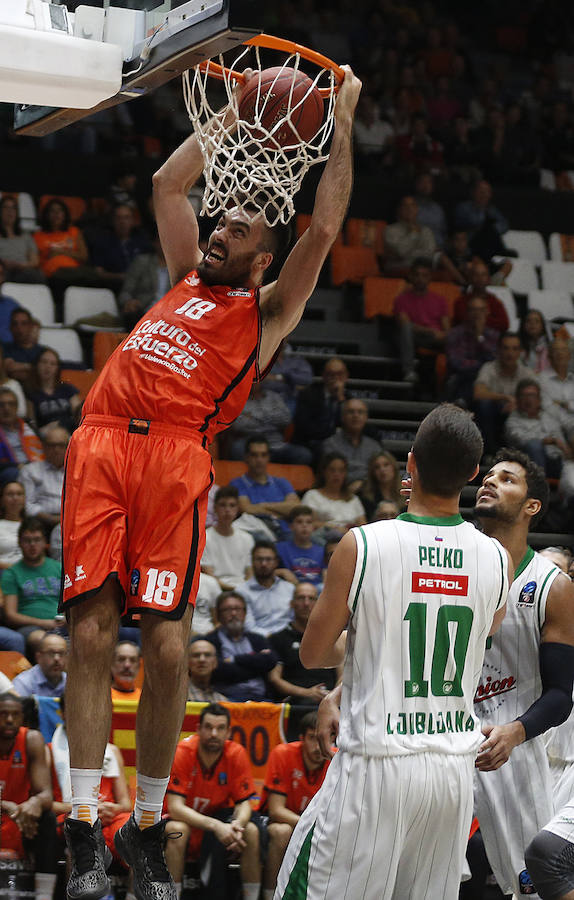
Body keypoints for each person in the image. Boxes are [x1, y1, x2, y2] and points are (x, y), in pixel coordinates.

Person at [59, 63, 361, 900]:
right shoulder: (186, 270)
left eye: (237, 229)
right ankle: (85, 824)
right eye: (220, 220)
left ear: (266, 257)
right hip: (102, 443)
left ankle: (148, 827)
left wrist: (342, 119)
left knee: (163, 644)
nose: (222, 228)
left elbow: (328, 225)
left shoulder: (265, 312)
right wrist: (232, 112)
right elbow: (167, 181)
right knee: (89, 636)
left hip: (176, 456)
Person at [274, 403, 510, 900]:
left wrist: (359, 651)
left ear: (410, 463)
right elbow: (470, 642)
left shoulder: (362, 544)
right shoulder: (496, 556)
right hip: (449, 773)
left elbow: (313, 654)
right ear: (472, 474)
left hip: (376, 764)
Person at [472, 448, 574, 898]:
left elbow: (559, 694)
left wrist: (515, 732)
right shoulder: (454, 565)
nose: (490, 482)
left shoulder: (550, 585)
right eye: (487, 476)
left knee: (531, 883)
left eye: (507, 479)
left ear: (532, 506)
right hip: (443, 735)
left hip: (511, 742)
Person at [165, 703, 261, 900]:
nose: (214, 733)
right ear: (198, 729)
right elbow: (175, 808)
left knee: (250, 831)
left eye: (220, 728)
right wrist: (216, 826)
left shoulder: (236, 753)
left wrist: (237, 826)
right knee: (178, 830)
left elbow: (244, 803)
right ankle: (172, 896)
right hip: (187, 822)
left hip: (217, 823)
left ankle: (254, 897)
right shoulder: (182, 752)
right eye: (208, 727)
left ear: (228, 732)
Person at [48, 694, 132, 871]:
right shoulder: (49, 751)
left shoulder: (112, 751)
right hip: (71, 816)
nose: (85, 716)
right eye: (77, 711)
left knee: (136, 836)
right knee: (81, 829)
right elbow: (46, 805)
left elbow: (125, 803)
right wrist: (86, 808)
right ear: (63, 714)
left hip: (108, 817)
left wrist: (111, 809)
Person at [260, 712, 332, 899]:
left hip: (319, 825)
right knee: (281, 831)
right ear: (301, 739)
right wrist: (309, 826)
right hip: (284, 821)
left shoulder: (337, 760)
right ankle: (270, 895)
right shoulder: (283, 753)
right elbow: (276, 810)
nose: (318, 747)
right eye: (312, 739)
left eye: (323, 739)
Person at [0, 692, 58, 900]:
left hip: (20, 820)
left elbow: (46, 795)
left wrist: (32, 803)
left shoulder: (31, 739)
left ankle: (44, 894)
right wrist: (8, 806)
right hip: (9, 812)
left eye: (14, 715)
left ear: (22, 717)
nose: (9, 720)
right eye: (3, 714)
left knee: (48, 818)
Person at [268, 582, 338, 705]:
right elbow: (274, 678)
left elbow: (343, 673)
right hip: (296, 701)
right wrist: (306, 693)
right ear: (292, 604)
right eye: (301, 598)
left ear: (318, 604)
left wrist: (333, 697)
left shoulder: (332, 636)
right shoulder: (277, 639)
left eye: (311, 599)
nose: (306, 604)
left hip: (330, 698)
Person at [505, 378, 574, 499]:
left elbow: (569, 425)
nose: (528, 399)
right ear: (517, 399)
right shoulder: (513, 421)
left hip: (561, 461)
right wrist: (550, 440)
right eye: (524, 395)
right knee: (534, 445)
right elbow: (520, 439)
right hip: (532, 465)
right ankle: (539, 490)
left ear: (539, 399)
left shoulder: (549, 415)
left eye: (532, 395)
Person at [2, 517, 61, 656]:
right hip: (31, 628)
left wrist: (66, 619)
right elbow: (10, 615)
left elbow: (71, 603)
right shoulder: (12, 573)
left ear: (45, 542)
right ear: (20, 543)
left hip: (62, 624)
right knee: (43, 640)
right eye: (27, 540)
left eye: (37, 539)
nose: (32, 545)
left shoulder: (59, 568)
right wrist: (44, 623)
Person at [206, 591, 278, 701]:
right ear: (218, 615)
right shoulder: (210, 641)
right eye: (227, 610)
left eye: (237, 609)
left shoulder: (257, 639)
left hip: (262, 699)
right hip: (227, 700)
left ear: (244, 613)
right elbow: (220, 671)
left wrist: (234, 660)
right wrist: (257, 665)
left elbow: (271, 661)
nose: (233, 614)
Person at [473, 331, 533, 456]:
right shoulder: (489, 368)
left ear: (520, 352)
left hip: (518, 416)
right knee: (484, 405)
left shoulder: (526, 373)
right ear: (499, 350)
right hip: (493, 417)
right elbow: (478, 393)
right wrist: (505, 398)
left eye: (514, 349)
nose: (510, 353)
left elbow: (536, 399)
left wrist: (517, 404)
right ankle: (489, 452)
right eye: (506, 348)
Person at [393, 256, 451, 383]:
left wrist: (444, 335)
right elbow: (405, 323)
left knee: (456, 335)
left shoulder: (440, 300)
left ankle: (453, 374)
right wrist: (430, 331)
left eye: (425, 275)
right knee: (406, 329)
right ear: (411, 277)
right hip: (416, 337)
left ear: (430, 277)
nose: (420, 279)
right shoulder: (401, 300)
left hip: (436, 338)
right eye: (417, 275)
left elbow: (446, 327)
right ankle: (409, 371)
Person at [230, 436, 299, 539]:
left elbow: (296, 508)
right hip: (257, 533)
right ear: (246, 457)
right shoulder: (237, 484)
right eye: (254, 455)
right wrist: (282, 511)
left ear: (268, 457)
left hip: (287, 533)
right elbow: (246, 509)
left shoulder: (282, 483)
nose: (259, 460)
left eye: (263, 455)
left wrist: (262, 506)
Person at [228, 381, 312, 465]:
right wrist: (271, 416)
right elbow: (238, 425)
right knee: (237, 449)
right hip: (250, 441)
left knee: (304, 455)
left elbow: (286, 419)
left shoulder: (274, 397)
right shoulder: (238, 399)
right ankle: (247, 478)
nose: (253, 383)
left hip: (275, 443)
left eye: (255, 381)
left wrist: (253, 416)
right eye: (249, 380)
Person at [446, 294, 498, 405]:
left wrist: (479, 337)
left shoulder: (493, 335)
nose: (477, 314)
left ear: (487, 312)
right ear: (467, 312)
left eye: (481, 310)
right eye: (473, 310)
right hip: (463, 378)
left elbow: (494, 360)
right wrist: (481, 365)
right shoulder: (455, 334)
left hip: (489, 379)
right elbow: (457, 363)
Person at [321, 398, 381, 491]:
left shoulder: (374, 446)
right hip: (340, 491)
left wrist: (363, 483)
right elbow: (331, 474)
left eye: (360, 412)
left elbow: (379, 474)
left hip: (370, 492)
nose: (355, 415)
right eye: (351, 412)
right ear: (342, 417)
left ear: (366, 417)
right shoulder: (330, 444)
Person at [236, 542, 296, 636]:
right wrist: (273, 638)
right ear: (252, 562)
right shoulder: (241, 591)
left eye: (268, 559)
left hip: (290, 638)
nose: (263, 564)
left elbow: (295, 620)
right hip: (260, 640)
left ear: (276, 562)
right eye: (259, 559)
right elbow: (248, 626)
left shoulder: (289, 588)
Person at [201, 485, 254, 590]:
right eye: (222, 505)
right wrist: (235, 590)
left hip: (244, 589)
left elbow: (250, 573)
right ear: (215, 508)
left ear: (238, 509)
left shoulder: (247, 538)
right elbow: (209, 575)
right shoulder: (205, 538)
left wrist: (243, 590)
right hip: (215, 589)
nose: (227, 510)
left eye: (232, 505)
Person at [20, 424, 69, 537]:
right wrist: (52, 519)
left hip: (72, 523)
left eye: (61, 445)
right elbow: (27, 504)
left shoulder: (78, 471)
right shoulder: (30, 471)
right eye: (51, 445)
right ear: (43, 446)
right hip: (41, 524)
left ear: (68, 447)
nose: (56, 450)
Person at [301, 453, 366, 538]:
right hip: (323, 537)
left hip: (350, 538)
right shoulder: (312, 495)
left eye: (341, 470)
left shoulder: (353, 499)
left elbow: (363, 526)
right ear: (324, 472)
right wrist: (333, 527)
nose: (336, 474)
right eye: (332, 470)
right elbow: (308, 523)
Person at [293, 357, 349, 453]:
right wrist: (329, 436)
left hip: (339, 443)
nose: (335, 378)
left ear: (346, 376)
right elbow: (303, 426)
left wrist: (340, 399)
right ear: (323, 376)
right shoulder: (308, 394)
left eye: (339, 374)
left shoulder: (349, 399)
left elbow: (348, 426)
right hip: (311, 442)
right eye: (331, 374)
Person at [25, 348, 81, 432]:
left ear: (57, 368)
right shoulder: (31, 393)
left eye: (52, 364)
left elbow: (79, 416)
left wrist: (61, 424)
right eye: (44, 362)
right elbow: (32, 426)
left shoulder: (68, 389)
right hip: (47, 436)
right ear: (37, 365)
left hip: (70, 432)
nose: (48, 366)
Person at [33, 199, 89, 280]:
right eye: (52, 211)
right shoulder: (38, 235)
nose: (56, 214)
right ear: (46, 215)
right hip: (51, 274)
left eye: (60, 210)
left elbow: (84, 256)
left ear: (65, 214)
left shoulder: (74, 231)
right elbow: (35, 261)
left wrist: (60, 252)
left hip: (75, 272)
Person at [452, 258, 510, 334]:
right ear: (470, 278)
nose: (480, 278)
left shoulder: (494, 301)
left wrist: (478, 319)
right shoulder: (460, 301)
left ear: (489, 279)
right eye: (476, 275)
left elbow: (504, 324)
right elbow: (462, 320)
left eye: (483, 275)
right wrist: (486, 319)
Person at [0, 386, 44, 484]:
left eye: (11, 404)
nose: (6, 408)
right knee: (12, 473)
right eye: (1, 405)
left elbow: (44, 447)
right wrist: (16, 466)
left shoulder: (28, 426)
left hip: (35, 465)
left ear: (16, 407)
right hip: (12, 470)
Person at [275, 506, 325, 587]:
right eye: (299, 522)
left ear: (313, 527)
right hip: (290, 589)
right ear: (291, 526)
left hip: (316, 591)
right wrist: (281, 572)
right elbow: (265, 571)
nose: (304, 525)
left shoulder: (322, 551)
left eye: (309, 522)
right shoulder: (279, 548)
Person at [0, 196, 43, 283]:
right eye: (6, 207)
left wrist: (23, 265)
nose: (10, 211)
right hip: (3, 269)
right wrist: (4, 263)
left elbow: (34, 260)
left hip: (24, 270)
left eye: (13, 208)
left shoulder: (25, 235)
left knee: (38, 276)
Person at [12, 631, 67, 698]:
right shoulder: (23, 683)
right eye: (51, 653)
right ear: (38, 657)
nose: (57, 658)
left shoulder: (70, 682)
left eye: (61, 653)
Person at [3, 308, 47, 386]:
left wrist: (18, 366)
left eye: (24, 323)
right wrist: (33, 368)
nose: (19, 328)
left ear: (31, 327)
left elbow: (47, 372)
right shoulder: (3, 349)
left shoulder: (44, 352)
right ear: (10, 328)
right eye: (15, 324)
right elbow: (9, 369)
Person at [358, 450, 403, 522]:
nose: (382, 470)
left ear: (394, 467)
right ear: (372, 472)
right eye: (377, 467)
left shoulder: (405, 493)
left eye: (386, 465)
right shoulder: (365, 497)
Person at [540, 339, 574, 419]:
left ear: (569, 355)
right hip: (553, 428)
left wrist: (566, 405)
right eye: (556, 350)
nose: (560, 353)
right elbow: (547, 408)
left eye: (564, 350)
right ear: (549, 356)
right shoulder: (540, 380)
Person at [186, 637, 226, 702]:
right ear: (187, 662)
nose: (202, 659)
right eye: (196, 655)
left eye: (207, 655)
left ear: (215, 662)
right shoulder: (178, 697)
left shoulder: (222, 701)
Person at [0, 479, 25, 570]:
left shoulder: (32, 525)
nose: (15, 498)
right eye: (10, 494)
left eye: (19, 494)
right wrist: (15, 570)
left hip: (31, 575)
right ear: (2, 500)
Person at [519, 309, 552, 374]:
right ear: (523, 325)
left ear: (543, 325)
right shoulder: (517, 346)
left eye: (537, 321)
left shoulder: (551, 345)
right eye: (528, 321)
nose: (532, 324)